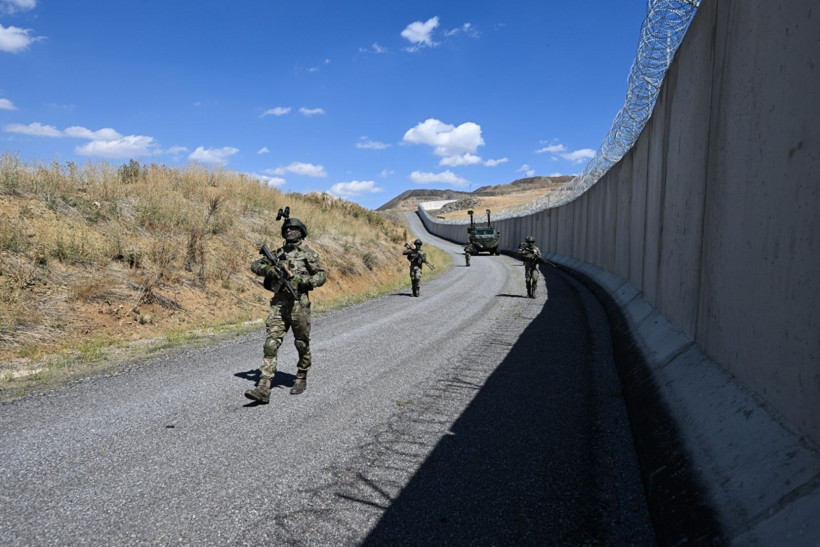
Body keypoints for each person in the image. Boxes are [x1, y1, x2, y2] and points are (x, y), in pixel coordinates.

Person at [245, 217, 326, 403]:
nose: (289, 231)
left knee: (301, 342)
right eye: (287, 228)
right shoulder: (277, 253)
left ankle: (301, 374)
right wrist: (270, 271)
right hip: (279, 303)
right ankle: (264, 386)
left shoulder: (308, 254)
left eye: (293, 228)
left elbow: (321, 276)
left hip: (299, 303)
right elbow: (255, 265)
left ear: (301, 232)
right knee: (271, 343)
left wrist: (303, 281)